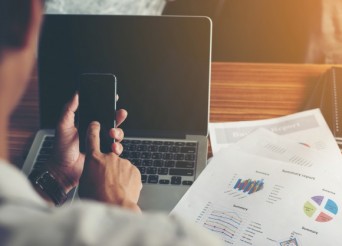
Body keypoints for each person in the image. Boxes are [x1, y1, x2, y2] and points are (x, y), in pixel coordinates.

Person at [0, 0, 222, 245]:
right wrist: (117, 203)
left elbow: (24, 216)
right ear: (27, 20)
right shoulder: (178, 239)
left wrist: (58, 175)